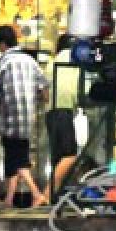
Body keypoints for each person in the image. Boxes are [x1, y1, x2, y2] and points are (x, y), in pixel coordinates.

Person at [0, 25, 49, 208]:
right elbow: (45, 90)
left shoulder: (4, 62)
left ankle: (37, 194)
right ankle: (9, 199)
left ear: (3, 44)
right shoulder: (30, 61)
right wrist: (35, 99)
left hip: (10, 118)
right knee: (15, 157)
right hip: (27, 119)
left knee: (17, 159)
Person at [45, 33, 81, 201]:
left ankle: (58, 197)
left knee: (58, 157)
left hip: (50, 112)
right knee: (69, 155)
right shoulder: (76, 60)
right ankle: (46, 194)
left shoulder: (51, 63)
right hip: (64, 110)